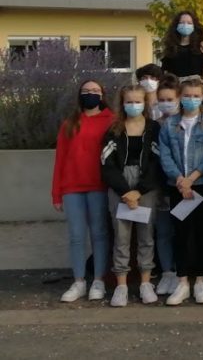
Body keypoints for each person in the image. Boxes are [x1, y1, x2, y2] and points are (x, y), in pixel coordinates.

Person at [158, 78, 203, 305]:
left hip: (202, 185)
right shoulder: (169, 124)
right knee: (182, 233)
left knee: (202, 234)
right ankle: (183, 282)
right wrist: (179, 179)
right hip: (177, 186)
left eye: (196, 96)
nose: (191, 100)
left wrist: (192, 178)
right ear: (180, 96)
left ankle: (200, 282)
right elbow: (165, 154)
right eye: (187, 95)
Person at [101, 85, 162, 307]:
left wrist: (140, 190)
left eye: (138, 101)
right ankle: (121, 285)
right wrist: (125, 191)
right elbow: (107, 164)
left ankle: (146, 282)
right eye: (129, 101)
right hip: (120, 186)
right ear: (122, 103)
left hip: (146, 186)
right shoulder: (114, 129)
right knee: (121, 237)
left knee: (146, 235)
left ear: (145, 103)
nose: (133, 105)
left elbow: (157, 162)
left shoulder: (154, 128)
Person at [53, 80, 113, 303]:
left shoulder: (112, 121)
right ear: (79, 95)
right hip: (72, 188)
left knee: (99, 235)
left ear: (103, 94)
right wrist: (56, 193)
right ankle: (79, 281)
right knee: (76, 237)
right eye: (86, 91)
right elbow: (60, 159)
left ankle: (98, 280)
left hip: (99, 186)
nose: (91, 94)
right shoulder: (70, 123)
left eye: (95, 91)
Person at [153, 77, 181, 296]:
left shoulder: (186, 123)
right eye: (161, 100)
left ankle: (182, 273)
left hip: (184, 186)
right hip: (159, 187)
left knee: (182, 231)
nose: (165, 103)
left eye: (170, 99)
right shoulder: (153, 125)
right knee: (162, 232)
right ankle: (167, 273)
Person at [161, 11, 203, 82]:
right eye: (182, 22)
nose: (185, 25)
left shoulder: (202, 46)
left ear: (194, 26)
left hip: (195, 86)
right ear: (176, 25)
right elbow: (165, 70)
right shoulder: (170, 46)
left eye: (189, 23)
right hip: (175, 85)